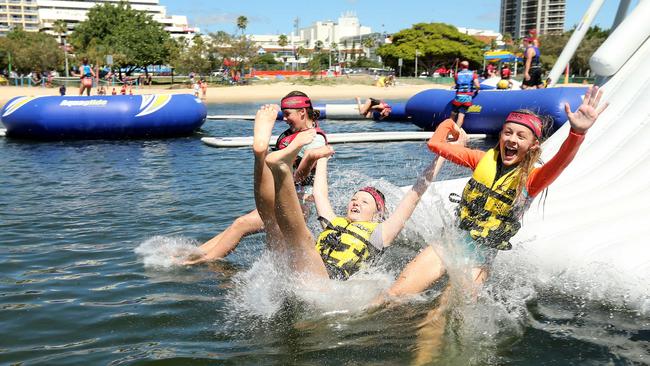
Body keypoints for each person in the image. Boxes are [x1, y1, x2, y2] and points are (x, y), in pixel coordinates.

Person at [379, 86, 608, 299]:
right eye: (508, 132)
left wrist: (577, 133)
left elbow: (561, 162)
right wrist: (451, 125)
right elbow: (436, 145)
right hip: (449, 243)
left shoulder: (532, 180)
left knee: (440, 317)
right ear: (500, 136)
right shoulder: (480, 160)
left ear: (533, 146)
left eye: (521, 136)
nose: (512, 139)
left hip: (479, 260)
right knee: (394, 294)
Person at [260, 108, 442, 280]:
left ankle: (281, 169)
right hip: (303, 271)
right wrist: (322, 158)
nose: (356, 203)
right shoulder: (334, 222)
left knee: (302, 238)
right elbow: (320, 194)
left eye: (364, 202)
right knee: (272, 224)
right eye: (354, 199)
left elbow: (414, 196)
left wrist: (442, 155)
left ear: (378, 213)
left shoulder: (381, 233)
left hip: (327, 282)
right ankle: (259, 151)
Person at [184, 91, 330, 265]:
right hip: (276, 192)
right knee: (244, 225)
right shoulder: (292, 133)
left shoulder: (315, 139)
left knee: (263, 236)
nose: (284, 118)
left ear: (302, 112)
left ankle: (201, 260)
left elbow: (301, 177)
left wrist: (309, 158)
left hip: (295, 201)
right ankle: (197, 254)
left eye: (288, 114)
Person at [451, 61, 480, 128]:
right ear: (468, 66)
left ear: (461, 66)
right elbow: (477, 85)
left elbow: (456, 84)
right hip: (467, 97)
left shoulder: (457, 74)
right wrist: (477, 90)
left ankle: (449, 129)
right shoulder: (473, 74)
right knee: (461, 115)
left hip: (458, 96)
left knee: (453, 114)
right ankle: (457, 132)